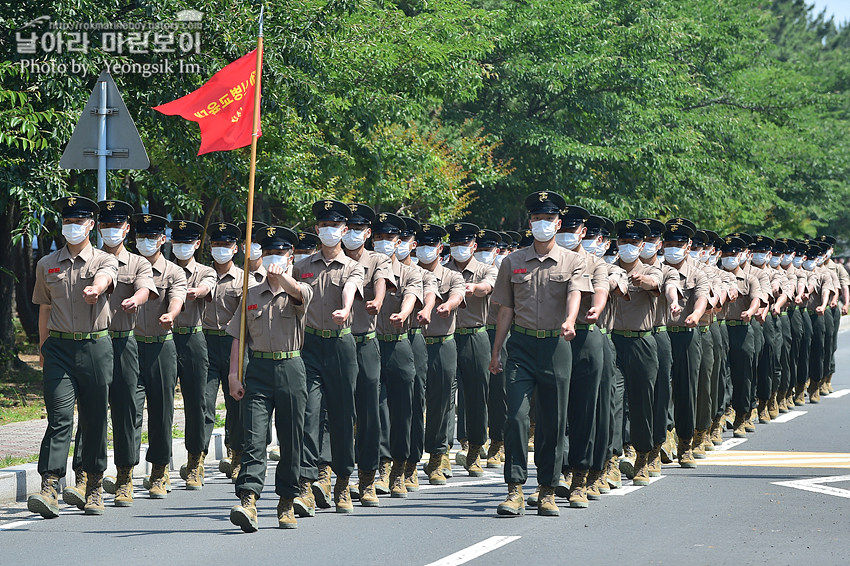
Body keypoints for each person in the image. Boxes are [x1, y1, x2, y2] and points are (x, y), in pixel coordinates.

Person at [490, 191, 590, 517]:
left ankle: (547, 489)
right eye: (536, 219)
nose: (542, 224)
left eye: (548, 219)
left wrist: (570, 321)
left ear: (559, 224)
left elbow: (575, 293)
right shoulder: (512, 262)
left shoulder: (574, 261)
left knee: (552, 420)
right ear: (529, 222)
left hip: (556, 346)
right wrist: (496, 352)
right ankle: (514, 489)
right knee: (516, 417)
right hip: (520, 346)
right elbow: (505, 309)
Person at [27, 196, 118, 519]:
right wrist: (42, 349)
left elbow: (105, 278)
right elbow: (45, 308)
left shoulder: (104, 260)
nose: (72, 227)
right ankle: (50, 485)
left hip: (95, 347)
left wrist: (96, 288)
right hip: (59, 350)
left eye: (78, 222)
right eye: (67, 222)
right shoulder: (46, 263)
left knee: (94, 418)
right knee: (59, 417)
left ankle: (93, 484)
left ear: (91, 225)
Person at [227, 226, 313, 532]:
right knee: (253, 438)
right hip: (259, 370)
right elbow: (239, 338)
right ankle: (248, 499)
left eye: (281, 252)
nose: (275, 257)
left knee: (292, 440)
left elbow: (299, 293)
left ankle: (287, 500)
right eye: (270, 252)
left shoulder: (300, 289)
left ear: (291, 256)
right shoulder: (250, 294)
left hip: (291, 368)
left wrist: (283, 279)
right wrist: (234, 376)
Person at [293, 199, 365, 514]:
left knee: (342, 416)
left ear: (344, 229)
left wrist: (346, 309)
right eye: (323, 226)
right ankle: (306, 486)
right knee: (309, 415)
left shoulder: (353, 266)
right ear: (316, 229)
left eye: (334, 226)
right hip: (309, 347)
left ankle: (342, 483)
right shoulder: (302, 266)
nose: (328, 231)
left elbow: (350, 287)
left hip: (341, 345)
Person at [95, 200, 156, 508]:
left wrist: (137, 298)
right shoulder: (89, 261)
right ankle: (86, 477)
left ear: (127, 229)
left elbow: (146, 288)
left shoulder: (137, 263)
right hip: (93, 343)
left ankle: (125, 477)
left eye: (116, 226)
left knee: (125, 409)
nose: (110, 231)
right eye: (105, 225)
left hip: (123, 342)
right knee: (91, 410)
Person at [132, 213, 188, 498]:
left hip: (162, 345)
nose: (146, 242)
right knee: (128, 409)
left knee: (162, 410)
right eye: (141, 237)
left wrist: (172, 313)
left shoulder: (174, 272)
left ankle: (159, 470)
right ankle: (125, 474)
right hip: (130, 345)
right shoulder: (126, 267)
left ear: (163, 240)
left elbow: (178, 296)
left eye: (152, 237)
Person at [342, 203, 394, 505]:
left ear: (368, 233)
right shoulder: (329, 260)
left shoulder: (377, 259)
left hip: (364, 343)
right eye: (346, 229)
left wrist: (376, 300)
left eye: (358, 229)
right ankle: (332, 475)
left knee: (369, 413)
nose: (351, 234)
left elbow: (380, 284)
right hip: (335, 343)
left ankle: (367, 478)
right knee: (333, 412)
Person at [371, 212, 424, 496]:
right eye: (378, 237)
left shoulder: (411, 271)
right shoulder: (364, 268)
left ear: (398, 240)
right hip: (370, 344)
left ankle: (402, 467)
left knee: (404, 408)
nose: (383, 242)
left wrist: (403, 314)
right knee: (377, 408)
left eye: (389, 237)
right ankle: (383, 465)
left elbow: (411, 297)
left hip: (399, 342)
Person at [608, 220, 663, 486]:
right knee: (612, 401)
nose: (628, 247)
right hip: (613, 341)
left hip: (642, 342)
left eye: (634, 242)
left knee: (642, 402)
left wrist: (645, 281)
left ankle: (643, 456)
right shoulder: (606, 268)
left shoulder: (654, 268)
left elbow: (657, 283)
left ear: (643, 245)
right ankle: (612, 459)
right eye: (623, 242)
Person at [445, 222, 498, 477]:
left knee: (478, 396)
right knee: (444, 395)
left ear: (473, 247)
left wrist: (473, 288)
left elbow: (487, 287)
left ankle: (476, 450)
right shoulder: (442, 271)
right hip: (446, 337)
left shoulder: (487, 269)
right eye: (454, 244)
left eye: (464, 245)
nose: (459, 249)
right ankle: (440, 453)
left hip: (476, 337)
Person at [416, 223, 466, 486]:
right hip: (414, 343)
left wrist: (448, 304)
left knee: (442, 401)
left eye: (430, 244)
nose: (425, 249)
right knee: (411, 402)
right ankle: (407, 459)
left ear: (439, 248)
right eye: (420, 243)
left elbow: (458, 294)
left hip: (442, 343)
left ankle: (437, 456)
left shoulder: (451, 275)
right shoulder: (409, 273)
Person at [170, 220, 217, 489]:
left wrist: (193, 291)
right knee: (161, 402)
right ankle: (161, 465)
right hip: (164, 338)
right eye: (178, 242)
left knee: (197, 402)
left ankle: (195, 460)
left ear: (197, 244)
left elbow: (206, 287)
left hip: (192, 337)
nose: (182, 247)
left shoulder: (204, 270)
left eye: (188, 242)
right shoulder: (160, 269)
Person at [660, 221, 710, 465]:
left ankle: (685, 442)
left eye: (678, 244)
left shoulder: (698, 272)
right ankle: (664, 436)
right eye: (668, 244)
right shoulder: (656, 269)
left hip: (687, 334)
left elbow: (701, 297)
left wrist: (697, 314)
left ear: (688, 245)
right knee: (660, 388)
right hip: (659, 335)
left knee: (686, 389)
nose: (673, 249)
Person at [199, 222, 243, 480]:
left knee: (235, 400)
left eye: (226, 245)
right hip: (205, 342)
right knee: (203, 401)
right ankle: (199, 458)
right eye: (217, 245)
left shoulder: (243, 278)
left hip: (232, 343)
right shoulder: (202, 275)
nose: (221, 249)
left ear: (235, 248)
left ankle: (236, 453)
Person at [396, 216, 438, 488]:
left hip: (412, 338)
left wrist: (426, 310)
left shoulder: (421, 274)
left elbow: (430, 293)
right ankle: (382, 464)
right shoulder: (378, 268)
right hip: (384, 341)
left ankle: (410, 463)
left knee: (413, 403)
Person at [718, 236, 762, 437]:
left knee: (743, 375)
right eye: (725, 254)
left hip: (742, 330)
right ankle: (718, 418)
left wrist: (750, 311)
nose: (729, 258)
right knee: (720, 375)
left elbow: (756, 300)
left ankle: (742, 416)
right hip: (720, 329)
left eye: (733, 254)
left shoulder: (750, 278)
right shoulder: (716, 275)